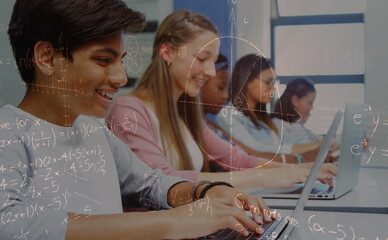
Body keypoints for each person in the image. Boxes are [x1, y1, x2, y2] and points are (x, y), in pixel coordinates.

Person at [0, 1, 275, 239]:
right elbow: (9, 224)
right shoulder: (9, 132)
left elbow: (149, 183)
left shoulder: (93, 131)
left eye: (120, 60)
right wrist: (172, 222)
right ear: (47, 58)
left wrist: (204, 193)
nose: (120, 78)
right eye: (103, 60)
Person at [106, 10, 337, 191]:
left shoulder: (184, 113)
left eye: (213, 61)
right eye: (202, 58)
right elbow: (163, 181)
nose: (210, 72)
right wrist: (268, 176)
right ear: (167, 52)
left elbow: (237, 159)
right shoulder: (128, 110)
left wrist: (305, 169)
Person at [215, 54, 324, 162]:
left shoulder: (262, 117)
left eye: (274, 83)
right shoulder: (227, 116)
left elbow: (287, 142)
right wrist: (314, 146)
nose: (272, 89)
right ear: (247, 79)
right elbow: (257, 150)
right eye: (268, 82)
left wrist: (319, 146)